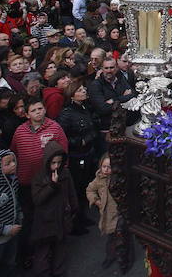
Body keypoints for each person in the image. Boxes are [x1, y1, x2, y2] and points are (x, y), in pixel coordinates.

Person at [57, 79, 98, 235]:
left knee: (84, 187)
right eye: (80, 90)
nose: (84, 92)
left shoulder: (84, 108)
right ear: (71, 95)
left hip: (87, 152)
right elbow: (63, 136)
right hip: (76, 156)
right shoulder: (66, 114)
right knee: (76, 189)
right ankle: (75, 221)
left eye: (83, 89)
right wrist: (80, 141)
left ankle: (83, 216)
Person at [30, 141, 77, 277]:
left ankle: (59, 273)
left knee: (60, 250)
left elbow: (71, 192)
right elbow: (37, 199)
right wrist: (51, 185)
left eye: (59, 162)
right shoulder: (39, 177)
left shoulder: (65, 173)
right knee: (43, 253)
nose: (56, 166)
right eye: (53, 163)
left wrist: (74, 209)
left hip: (62, 218)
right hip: (45, 222)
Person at [86, 154, 130, 271]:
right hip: (107, 215)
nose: (106, 169)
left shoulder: (118, 179)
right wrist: (96, 200)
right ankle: (110, 256)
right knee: (111, 239)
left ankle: (124, 261)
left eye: (109, 167)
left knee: (122, 239)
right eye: (103, 166)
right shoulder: (98, 179)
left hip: (119, 214)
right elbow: (90, 190)